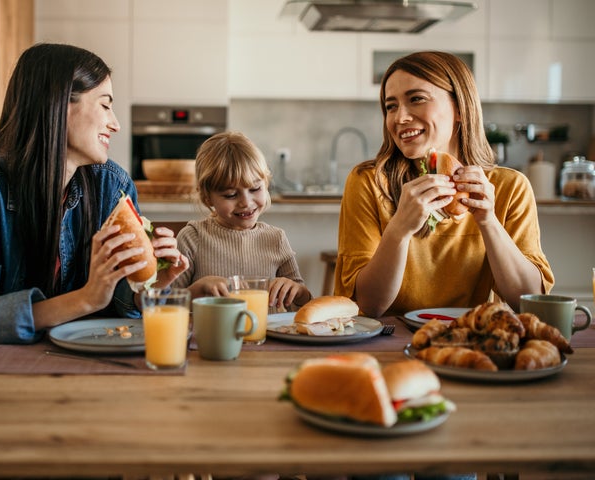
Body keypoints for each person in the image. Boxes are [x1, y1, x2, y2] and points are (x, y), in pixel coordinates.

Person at [0, 43, 188, 443]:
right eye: (105, 105)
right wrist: (85, 299)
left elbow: (121, 313)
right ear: (60, 105)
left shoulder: (112, 185)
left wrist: (150, 287)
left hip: (72, 392)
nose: (116, 123)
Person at [335, 50, 554, 319]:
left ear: (460, 109)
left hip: (473, 343)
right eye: (391, 106)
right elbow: (368, 306)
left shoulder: (510, 187)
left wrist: (488, 221)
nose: (399, 117)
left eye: (416, 99)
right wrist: (400, 229)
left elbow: (529, 302)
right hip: (387, 342)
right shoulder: (368, 182)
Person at [172, 131, 312, 311]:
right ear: (207, 198)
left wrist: (297, 291)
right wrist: (198, 289)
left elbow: (305, 304)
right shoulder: (193, 237)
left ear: (266, 185)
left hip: (267, 338)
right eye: (230, 194)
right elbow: (169, 304)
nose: (246, 202)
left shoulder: (276, 238)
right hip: (212, 338)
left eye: (255, 189)